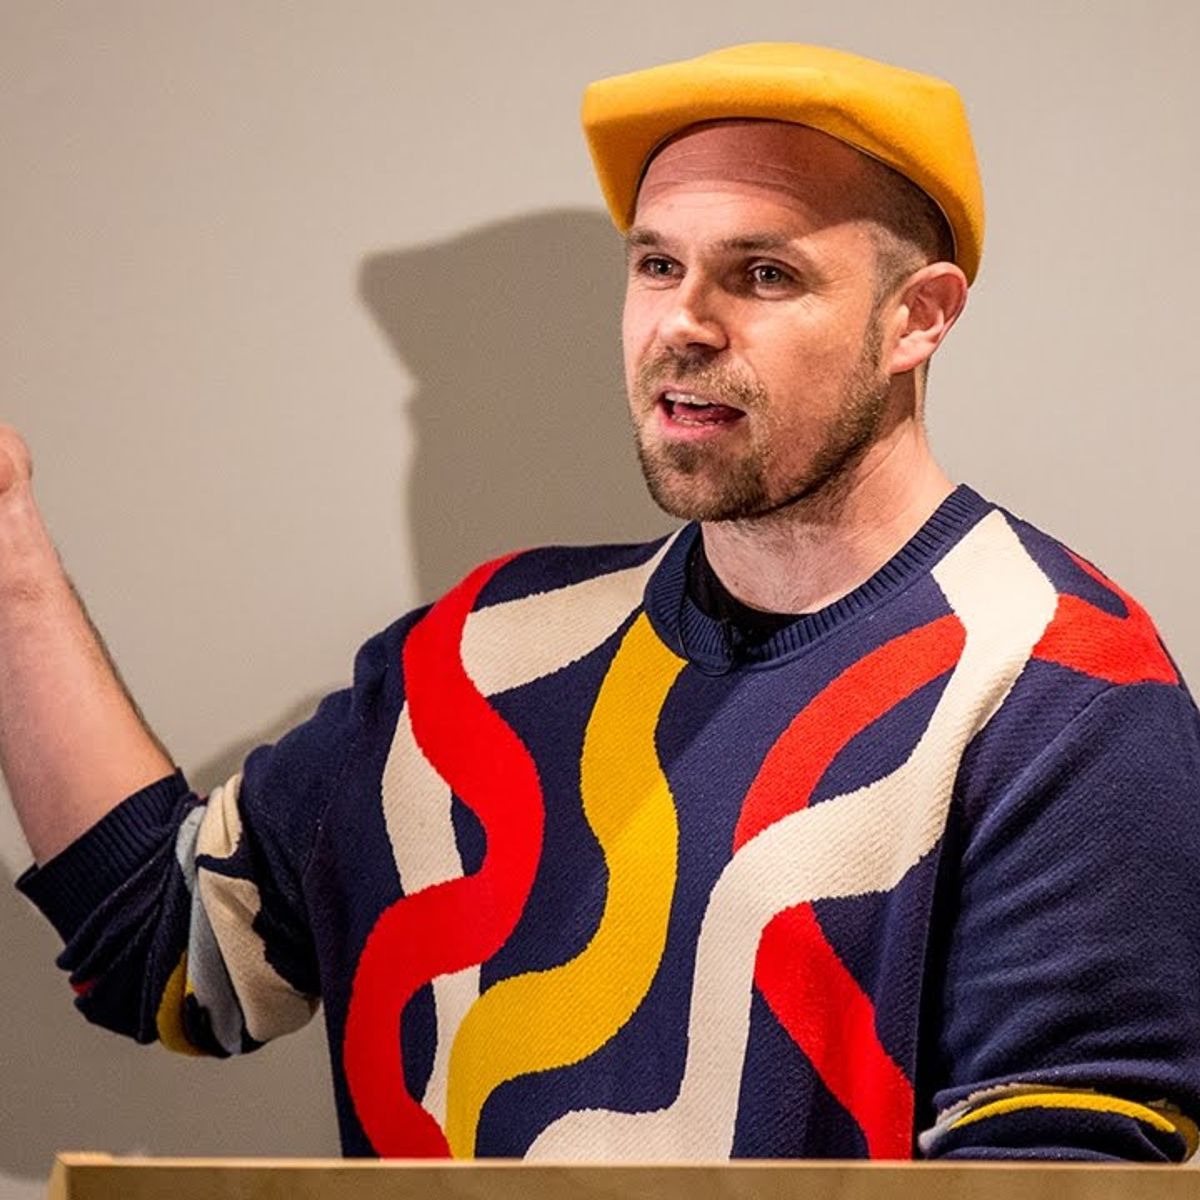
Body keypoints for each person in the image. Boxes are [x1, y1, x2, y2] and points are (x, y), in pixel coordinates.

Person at [4, 42, 1200, 1163]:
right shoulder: (473, 664)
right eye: (657, 263)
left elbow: (1066, 1179)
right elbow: (160, 948)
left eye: (764, 273)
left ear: (917, 317)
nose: (682, 323)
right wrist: (9, 550)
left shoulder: (1058, 689)